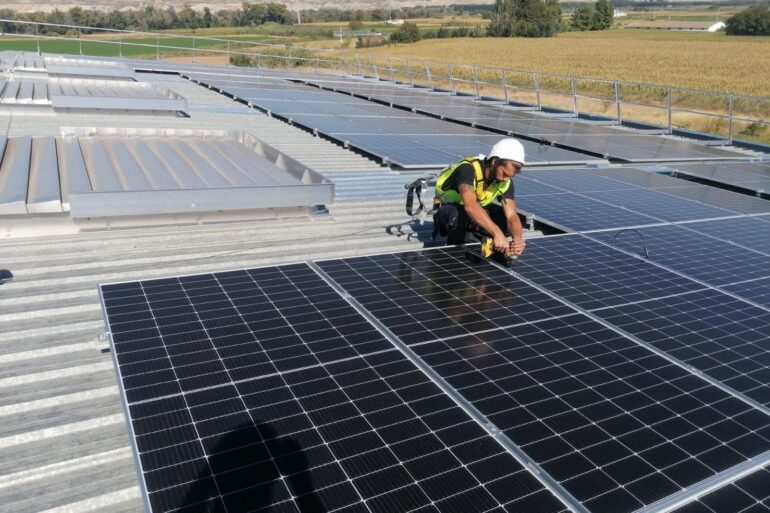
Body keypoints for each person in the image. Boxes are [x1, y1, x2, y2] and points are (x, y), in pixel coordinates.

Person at [434, 138, 527, 258]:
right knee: (459, 215)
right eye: (504, 173)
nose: (505, 179)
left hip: (474, 212)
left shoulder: (505, 181)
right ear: (494, 161)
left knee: (508, 221)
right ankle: (456, 250)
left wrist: (518, 239)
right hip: (448, 210)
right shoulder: (468, 169)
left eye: (509, 176)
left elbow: (511, 215)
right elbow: (470, 206)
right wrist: (497, 233)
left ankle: (488, 243)